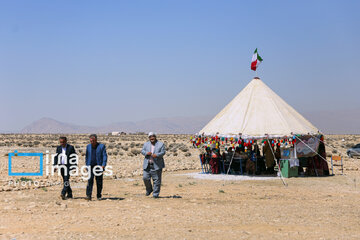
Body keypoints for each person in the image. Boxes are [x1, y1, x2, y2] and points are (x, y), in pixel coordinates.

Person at [141, 132, 166, 198]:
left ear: (155, 137)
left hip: (157, 164)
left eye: (153, 136)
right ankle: (149, 189)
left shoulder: (161, 144)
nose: (152, 138)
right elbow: (142, 151)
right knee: (145, 178)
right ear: (149, 138)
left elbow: (163, 152)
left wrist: (157, 155)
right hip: (147, 164)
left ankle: (155, 194)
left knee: (157, 180)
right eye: (150, 137)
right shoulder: (146, 144)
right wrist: (146, 153)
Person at [85, 134, 108, 200]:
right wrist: (87, 165)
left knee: (99, 181)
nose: (92, 142)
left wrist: (103, 165)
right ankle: (88, 195)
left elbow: (104, 156)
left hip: (99, 166)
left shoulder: (101, 146)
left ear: (96, 140)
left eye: (93, 141)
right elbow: (87, 156)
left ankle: (99, 195)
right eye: (91, 141)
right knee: (90, 181)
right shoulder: (88, 146)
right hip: (90, 166)